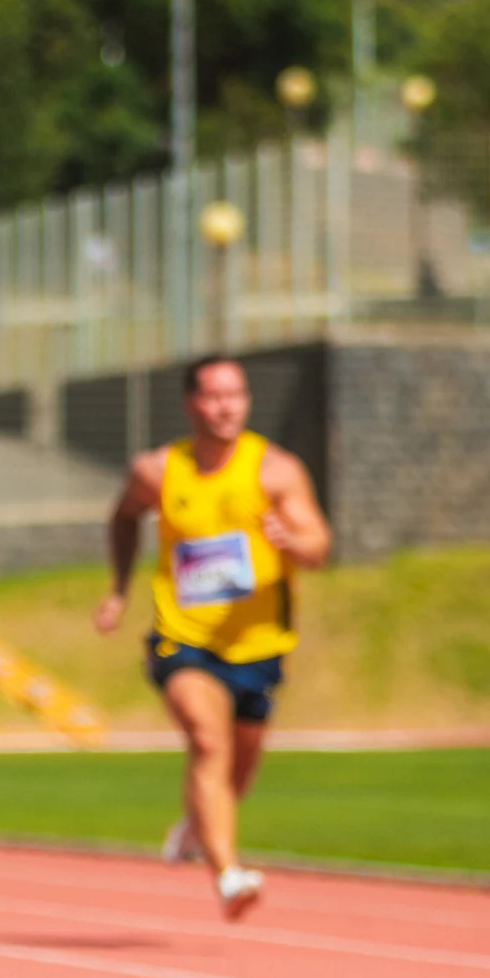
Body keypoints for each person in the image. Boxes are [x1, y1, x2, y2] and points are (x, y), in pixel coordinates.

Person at [93, 354, 331, 920]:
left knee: (237, 772)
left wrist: (290, 543)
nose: (227, 407)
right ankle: (228, 874)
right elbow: (124, 517)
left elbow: (319, 546)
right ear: (191, 403)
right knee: (207, 740)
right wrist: (121, 589)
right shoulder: (156, 471)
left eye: (237, 395)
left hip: (259, 646)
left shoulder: (275, 470)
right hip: (183, 638)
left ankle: (197, 827)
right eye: (215, 396)